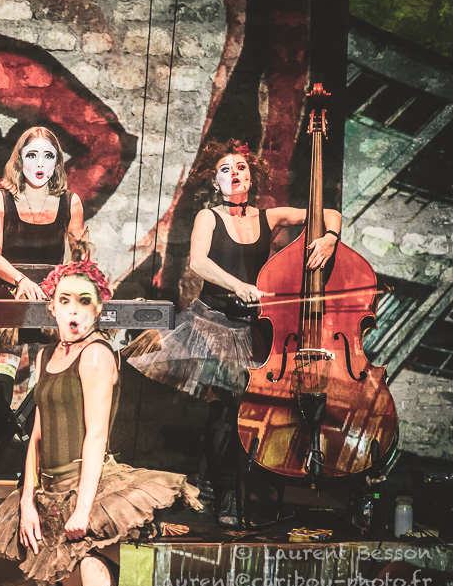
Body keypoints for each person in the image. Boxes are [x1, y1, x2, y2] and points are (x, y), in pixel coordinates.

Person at [125, 139, 341, 525]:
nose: (235, 173)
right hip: (214, 323)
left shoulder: (269, 217)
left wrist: (330, 237)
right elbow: (198, 262)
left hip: (253, 328)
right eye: (226, 169)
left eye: (241, 167)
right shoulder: (209, 217)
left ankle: (215, 487)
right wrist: (237, 285)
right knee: (225, 410)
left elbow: (329, 212)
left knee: (243, 411)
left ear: (251, 177)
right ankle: (224, 494)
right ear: (216, 182)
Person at [0, 260, 200, 586]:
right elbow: (36, 435)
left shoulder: (97, 354)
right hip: (49, 496)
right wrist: (27, 500)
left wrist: (83, 509)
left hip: (88, 491)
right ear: (52, 307)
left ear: (98, 308)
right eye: (65, 300)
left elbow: (96, 436)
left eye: (84, 300)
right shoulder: (45, 356)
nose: (74, 310)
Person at [0, 126, 86, 502]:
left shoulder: (70, 202)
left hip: (48, 306)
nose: (40, 163)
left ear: (57, 162)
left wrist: (72, 282)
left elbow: (79, 257)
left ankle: (28, 490)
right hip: (7, 301)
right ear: (20, 159)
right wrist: (20, 280)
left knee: (42, 397)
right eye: (32, 155)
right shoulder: (1, 199)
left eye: (48, 155)